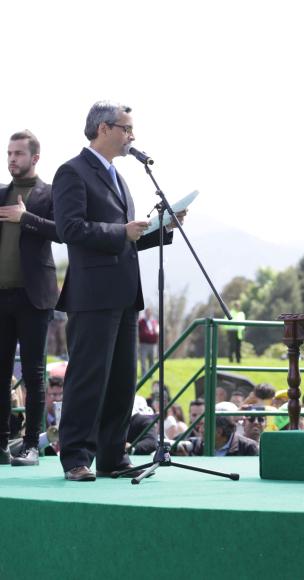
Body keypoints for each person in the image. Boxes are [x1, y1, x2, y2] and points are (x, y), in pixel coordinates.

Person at [52, 101, 184, 481]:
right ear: (104, 128)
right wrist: (120, 231)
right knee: (88, 378)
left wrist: (163, 229)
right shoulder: (72, 172)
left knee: (122, 381)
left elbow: (127, 239)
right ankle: (76, 457)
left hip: (126, 294)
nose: (132, 136)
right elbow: (70, 230)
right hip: (92, 295)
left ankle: (112, 456)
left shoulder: (119, 178)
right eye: (126, 129)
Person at [1, 130, 61, 467]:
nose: (11, 159)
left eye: (18, 154)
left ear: (35, 158)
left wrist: (26, 217)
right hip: (0, 297)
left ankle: (30, 446)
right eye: (8, 153)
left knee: (36, 373)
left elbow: (62, 232)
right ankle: (0, 444)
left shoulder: (50, 194)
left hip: (34, 297)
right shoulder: (0, 193)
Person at [138, 307, 159, 376]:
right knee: (143, 360)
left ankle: (151, 375)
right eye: (147, 312)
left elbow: (157, 331)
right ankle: (144, 375)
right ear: (145, 313)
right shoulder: (141, 322)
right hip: (144, 344)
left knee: (152, 360)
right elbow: (140, 332)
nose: (149, 314)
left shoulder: (154, 322)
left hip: (153, 344)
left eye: (150, 313)